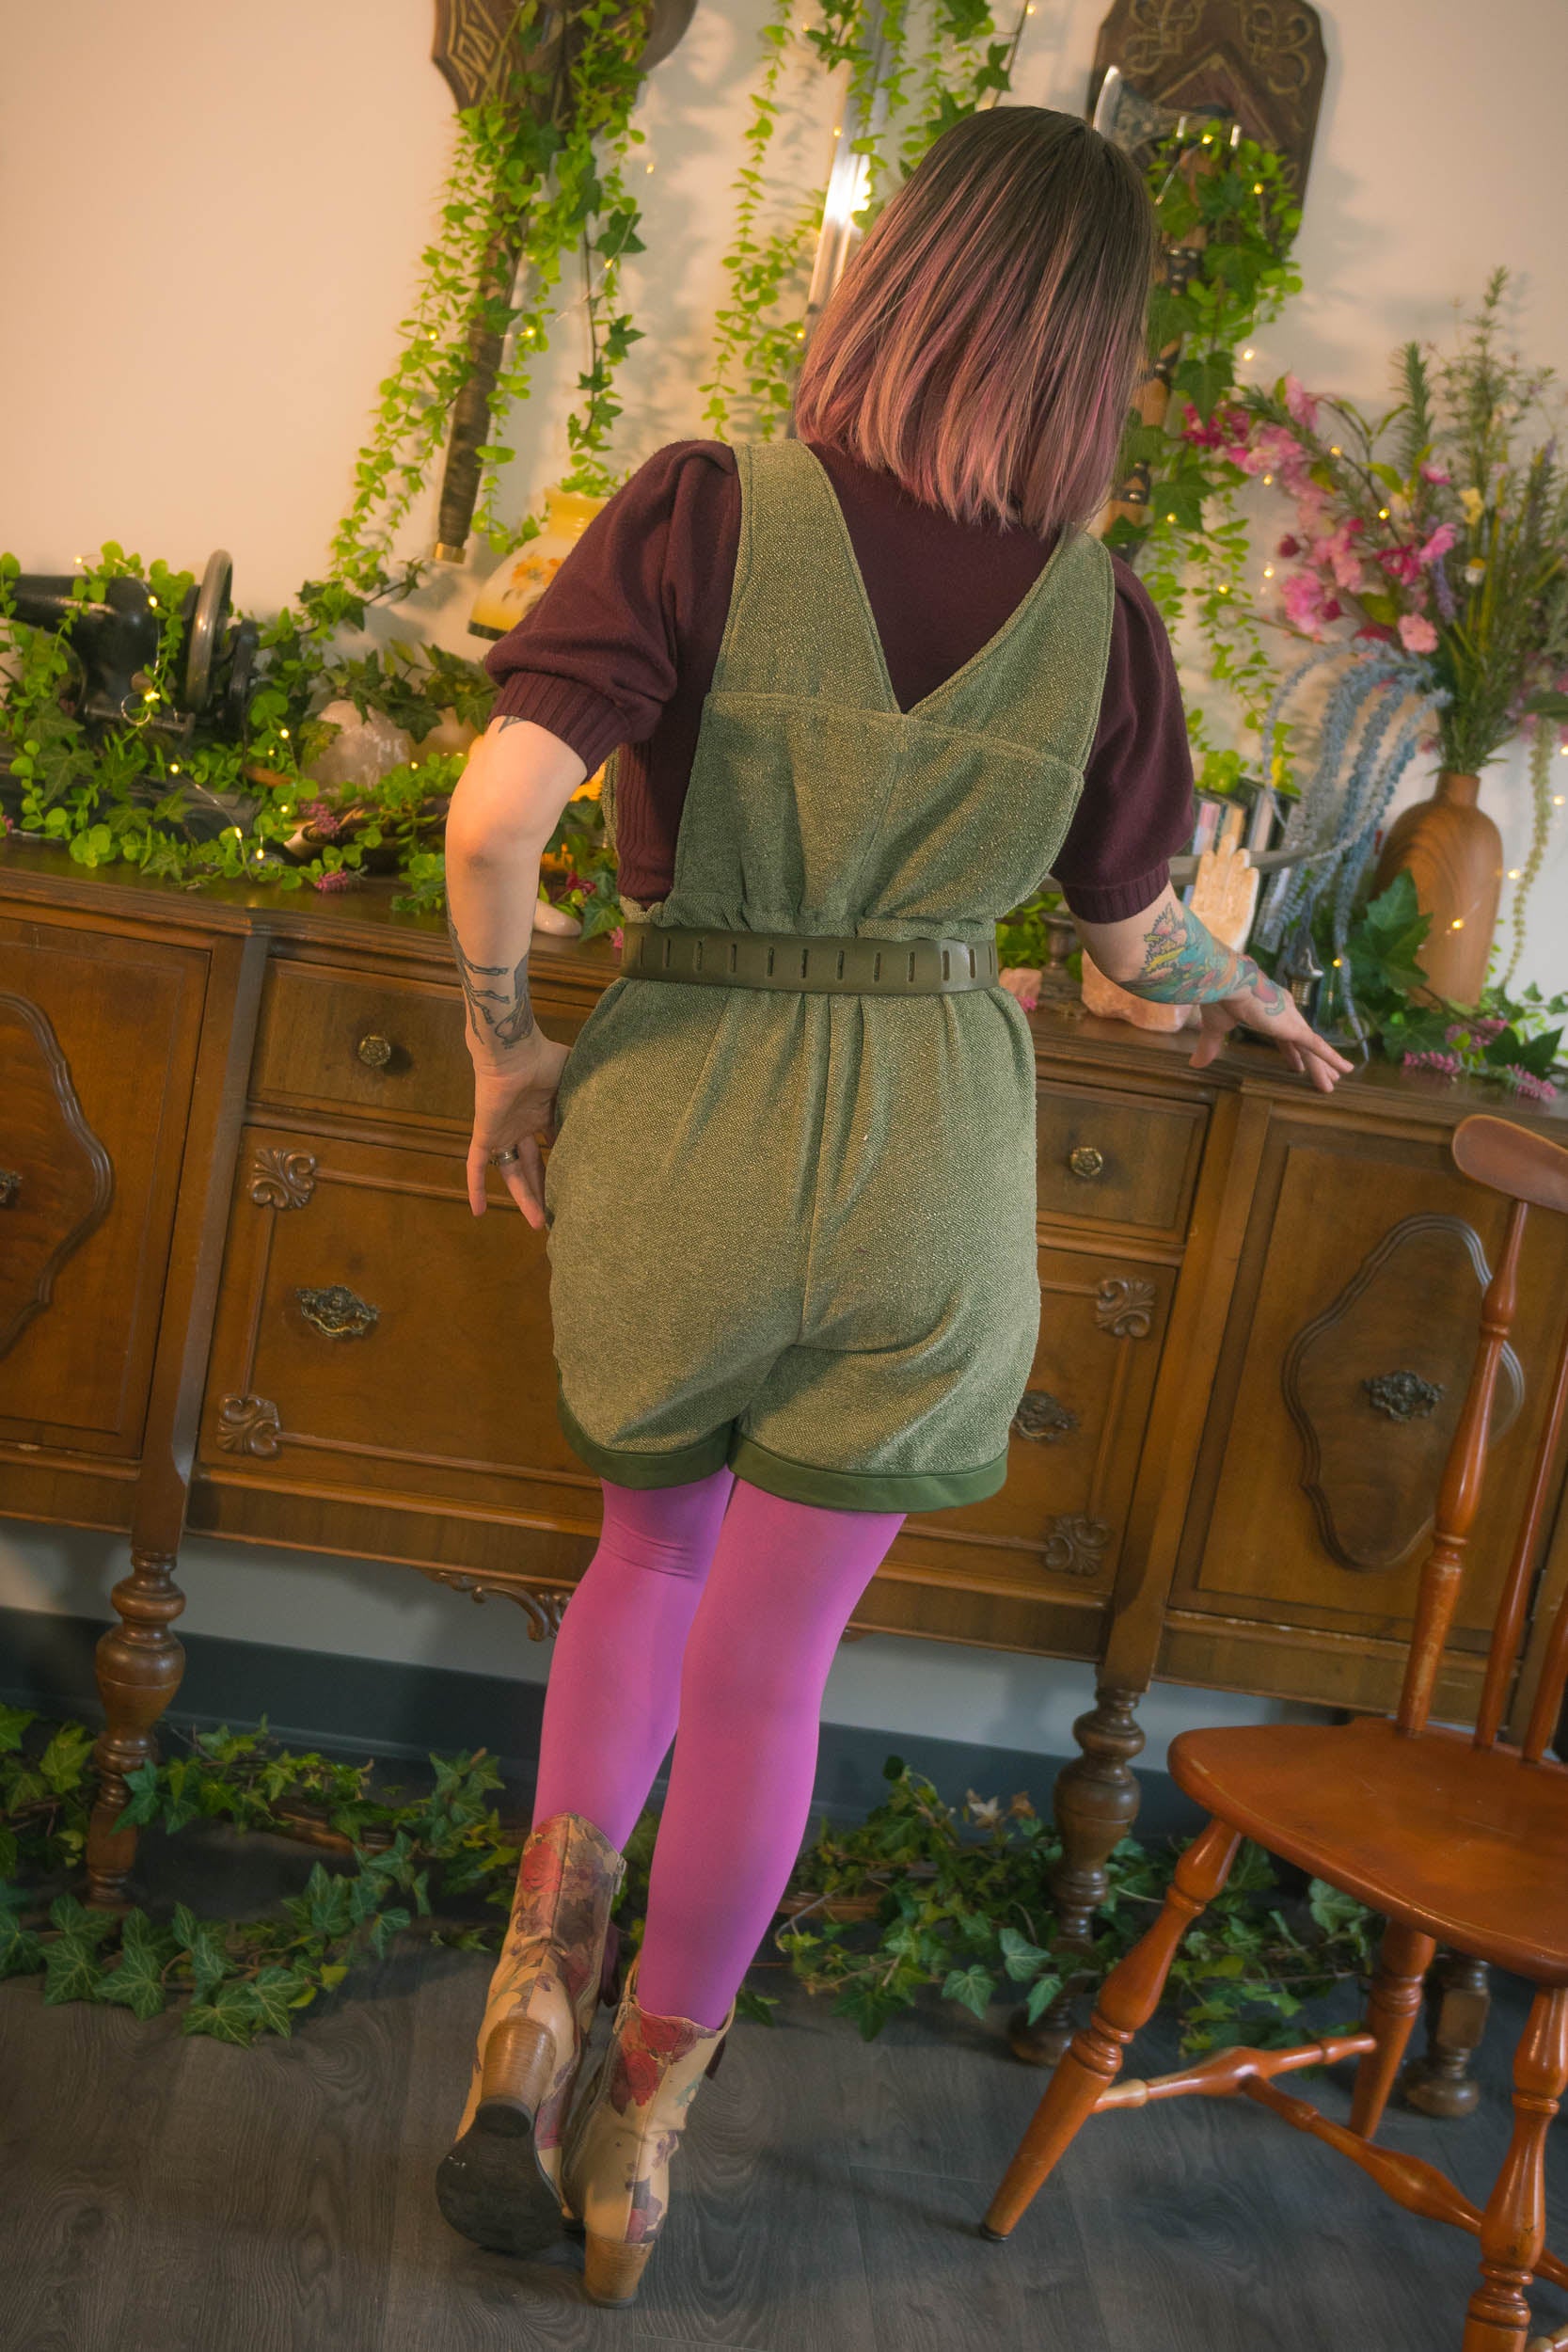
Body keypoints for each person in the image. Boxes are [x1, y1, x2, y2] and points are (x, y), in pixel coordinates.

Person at [432, 104, 1354, 2308]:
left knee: (645, 1566)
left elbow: (491, 821)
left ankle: (529, 2022)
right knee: (776, 1666)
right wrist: (1255, 998)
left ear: (897, 274)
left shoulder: (703, 512)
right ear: (1100, 352)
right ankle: (644, 2142)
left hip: (688, 1122)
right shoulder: (1104, 623)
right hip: (930, 1168)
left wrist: (507, 1050)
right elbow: (1136, 952)